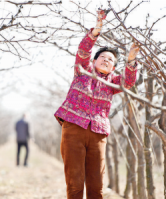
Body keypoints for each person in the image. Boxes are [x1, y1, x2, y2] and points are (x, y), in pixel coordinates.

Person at [54, 10, 139, 199]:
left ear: (114, 67)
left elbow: (128, 82)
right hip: (74, 129)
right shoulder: (83, 69)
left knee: (96, 186)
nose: (106, 60)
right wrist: (97, 28)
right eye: (103, 57)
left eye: (111, 60)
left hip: (98, 134)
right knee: (75, 184)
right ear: (94, 60)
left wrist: (131, 60)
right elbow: (83, 50)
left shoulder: (113, 82)